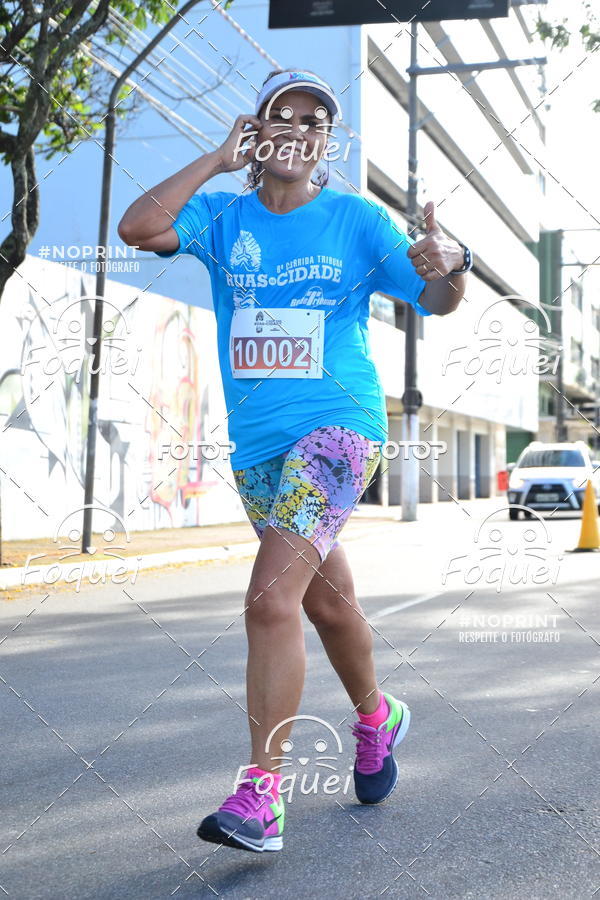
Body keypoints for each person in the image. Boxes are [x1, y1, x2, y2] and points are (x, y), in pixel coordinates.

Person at [118, 67, 471, 854]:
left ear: (326, 142)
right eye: (286, 115)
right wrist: (216, 161)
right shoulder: (221, 216)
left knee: (269, 601)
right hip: (259, 448)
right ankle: (378, 717)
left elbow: (437, 300)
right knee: (324, 605)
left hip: (339, 432)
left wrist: (452, 264)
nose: (300, 130)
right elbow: (138, 228)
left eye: (316, 122)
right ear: (258, 128)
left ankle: (261, 796)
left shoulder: (356, 219)